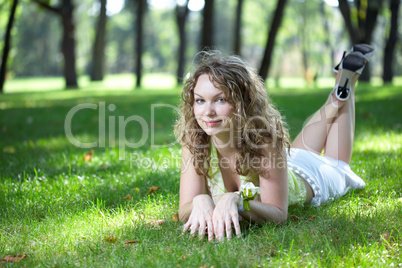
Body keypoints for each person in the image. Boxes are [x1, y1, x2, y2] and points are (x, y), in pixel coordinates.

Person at [174, 46, 373, 242]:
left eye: (220, 100)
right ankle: (338, 94)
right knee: (298, 150)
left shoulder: (264, 140)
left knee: (340, 164)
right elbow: (185, 209)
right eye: (200, 101)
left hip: (313, 177)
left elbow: (278, 213)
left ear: (244, 102)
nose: (207, 112)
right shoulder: (195, 140)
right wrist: (201, 200)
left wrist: (239, 201)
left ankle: (346, 90)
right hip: (289, 161)